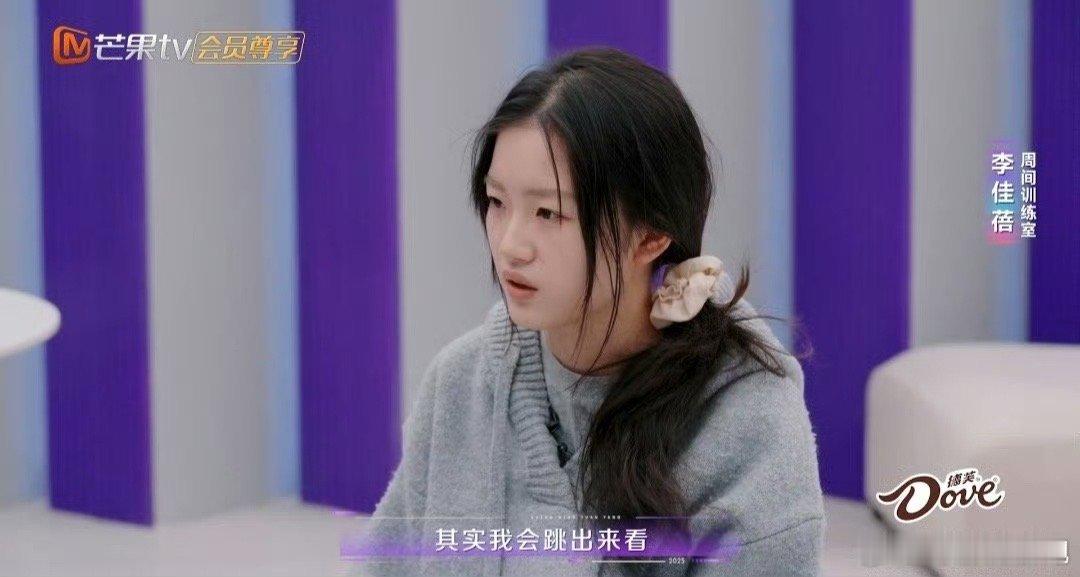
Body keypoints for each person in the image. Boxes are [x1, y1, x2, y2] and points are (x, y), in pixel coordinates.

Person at [355, 46, 824, 577]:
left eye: (548, 212)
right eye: (497, 202)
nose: (509, 245)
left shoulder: (745, 418)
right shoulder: (462, 381)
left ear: (651, 233)